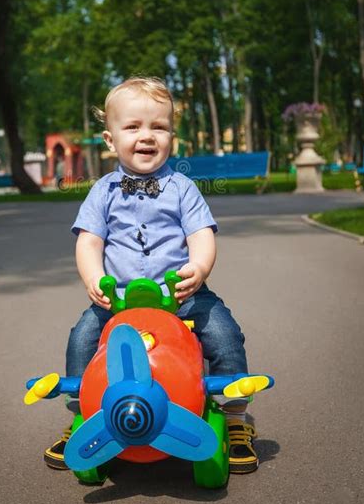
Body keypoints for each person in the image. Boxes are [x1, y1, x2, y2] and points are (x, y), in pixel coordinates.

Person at [45, 76, 258, 474]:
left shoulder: (183, 188)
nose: (147, 136)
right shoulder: (102, 192)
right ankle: (83, 413)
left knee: (224, 334)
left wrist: (199, 267)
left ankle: (235, 418)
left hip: (181, 296)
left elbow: (201, 235)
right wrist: (93, 279)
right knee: (82, 340)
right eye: (133, 127)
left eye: (158, 127)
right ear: (110, 140)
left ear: (172, 137)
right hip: (119, 301)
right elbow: (89, 242)